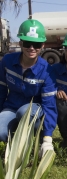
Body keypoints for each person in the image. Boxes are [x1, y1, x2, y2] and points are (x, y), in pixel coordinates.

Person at [0, 19, 57, 157]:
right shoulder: (7, 61)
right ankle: (14, 143)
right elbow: (1, 91)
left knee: (24, 112)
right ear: (20, 43)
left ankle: (36, 138)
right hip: (11, 107)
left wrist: (48, 139)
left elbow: (49, 105)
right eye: (27, 43)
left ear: (42, 45)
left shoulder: (47, 71)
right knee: (0, 133)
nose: (32, 48)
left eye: (36, 44)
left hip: (32, 109)